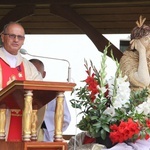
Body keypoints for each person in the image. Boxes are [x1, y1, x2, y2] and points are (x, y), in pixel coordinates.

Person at [0, 22, 44, 141]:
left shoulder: (28, 66)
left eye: (20, 37)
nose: (16, 40)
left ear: (23, 40)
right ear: (2, 37)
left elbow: (41, 92)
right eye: (11, 36)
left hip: (23, 127)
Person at [29, 58, 71, 142]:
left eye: (37, 73)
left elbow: (65, 119)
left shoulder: (55, 93)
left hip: (47, 137)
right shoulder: (20, 92)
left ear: (43, 74)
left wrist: (42, 118)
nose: (33, 76)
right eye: (30, 73)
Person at [119, 15, 150, 91]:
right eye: (146, 39)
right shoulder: (127, 59)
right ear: (135, 42)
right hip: (137, 102)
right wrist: (142, 51)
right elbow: (143, 81)